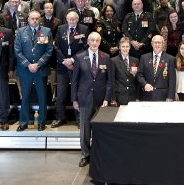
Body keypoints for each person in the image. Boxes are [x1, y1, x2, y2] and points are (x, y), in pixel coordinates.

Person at [72, 32, 112, 167]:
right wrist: (74, 100)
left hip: (101, 99)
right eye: (92, 40)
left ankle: (97, 153)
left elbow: (109, 81)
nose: (94, 43)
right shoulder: (79, 57)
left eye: (97, 41)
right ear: (88, 42)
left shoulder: (106, 57)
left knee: (99, 128)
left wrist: (107, 98)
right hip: (84, 98)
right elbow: (75, 81)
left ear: (100, 42)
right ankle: (85, 154)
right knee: (84, 129)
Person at [14, 10, 53, 131]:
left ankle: (42, 122)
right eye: (32, 18)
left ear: (40, 19)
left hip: (40, 70)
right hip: (25, 70)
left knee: (42, 97)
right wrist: (28, 64)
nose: (35, 20)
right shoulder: (20, 32)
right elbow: (17, 50)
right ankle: (23, 122)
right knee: (25, 96)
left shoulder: (46, 31)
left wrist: (38, 64)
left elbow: (49, 50)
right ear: (28, 20)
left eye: (37, 18)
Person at [52, 10, 89, 127]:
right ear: (66, 19)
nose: (72, 21)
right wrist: (65, 60)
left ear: (77, 19)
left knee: (78, 92)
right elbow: (56, 46)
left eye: (74, 19)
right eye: (70, 19)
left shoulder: (84, 29)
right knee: (61, 93)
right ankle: (60, 117)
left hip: (77, 65)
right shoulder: (60, 28)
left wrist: (72, 60)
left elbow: (85, 47)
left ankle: (79, 118)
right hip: (62, 65)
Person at [137, 35, 176, 102]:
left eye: (159, 42)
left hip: (163, 97)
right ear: (152, 44)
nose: (157, 44)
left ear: (163, 44)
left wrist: (170, 97)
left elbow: (172, 80)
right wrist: (145, 84)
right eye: (155, 42)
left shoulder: (170, 59)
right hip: (147, 96)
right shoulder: (144, 58)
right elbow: (139, 75)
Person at [106, 37, 139, 106]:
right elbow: (112, 81)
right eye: (123, 46)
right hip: (119, 96)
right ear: (120, 48)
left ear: (130, 47)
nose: (125, 48)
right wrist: (113, 98)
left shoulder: (135, 60)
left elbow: (137, 80)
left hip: (132, 96)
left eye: (127, 46)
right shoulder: (114, 61)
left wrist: (138, 97)